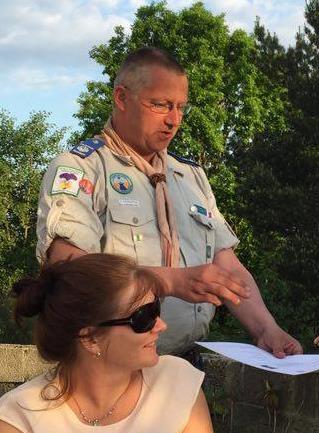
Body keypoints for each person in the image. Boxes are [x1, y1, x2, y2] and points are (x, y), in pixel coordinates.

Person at [36, 47, 301, 359]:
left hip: (184, 364)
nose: (174, 120)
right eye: (160, 105)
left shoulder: (190, 176)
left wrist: (266, 329)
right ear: (121, 98)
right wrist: (170, 281)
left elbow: (226, 265)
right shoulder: (82, 168)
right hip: (106, 364)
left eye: (180, 108)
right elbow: (67, 267)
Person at [0, 254, 221, 433]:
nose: (161, 325)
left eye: (157, 309)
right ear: (90, 339)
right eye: (144, 318)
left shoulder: (177, 382)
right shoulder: (21, 417)